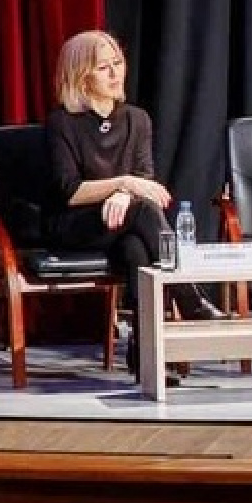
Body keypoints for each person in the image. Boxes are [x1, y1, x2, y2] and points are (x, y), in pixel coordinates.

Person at [42, 30, 226, 384]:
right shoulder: (62, 123)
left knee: (136, 250)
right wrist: (123, 185)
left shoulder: (137, 119)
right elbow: (70, 191)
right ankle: (190, 299)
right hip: (74, 224)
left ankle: (145, 358)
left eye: (118, 63)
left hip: (125, 223)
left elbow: (145, 180)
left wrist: (126, 194)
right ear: (81, 75)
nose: (115, 73)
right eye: (103, 67)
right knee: (142, 213)